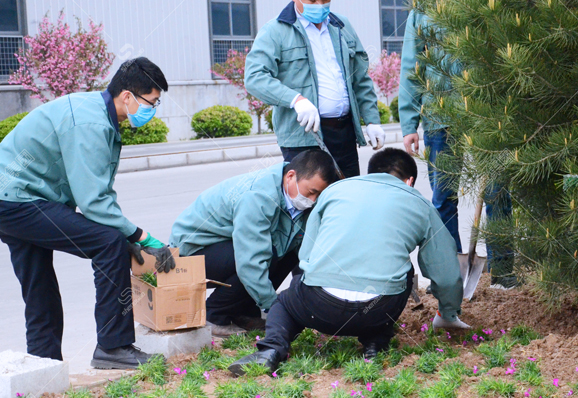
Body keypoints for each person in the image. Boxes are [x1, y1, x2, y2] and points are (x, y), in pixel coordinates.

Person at [228, 148, 470, 375]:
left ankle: (272, 349)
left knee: (284, 304)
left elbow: (306, 256)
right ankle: (374, 345)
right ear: (409, 181)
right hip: (377, 309)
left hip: (318, 307)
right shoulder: (420, 203)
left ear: (370, 174)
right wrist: (447, 314)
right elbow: (447, 275)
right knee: (402, 272)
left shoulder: (335, 191)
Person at [0, 58, 174, 369]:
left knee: (39, 284)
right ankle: (114, 347)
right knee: (109, 244)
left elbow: (92, 193)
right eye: (152, 102)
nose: (153, 110)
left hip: (14, 199)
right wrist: (141, 237)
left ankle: (44, 364)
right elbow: (94, 201)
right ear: (127, 97)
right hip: (18, 199)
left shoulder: (96, 111)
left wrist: (125, 232)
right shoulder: (91, 123)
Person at [398, 0, 517, 287]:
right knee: (443, 198)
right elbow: (411, 66)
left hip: (484, 113)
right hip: (439, 118)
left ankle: (504, 273)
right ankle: (450, 274)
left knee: (497, 192)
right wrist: (410, 123)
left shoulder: (481, 0)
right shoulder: (422, 9)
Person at [169, 151, 339, 338]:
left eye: (319, 195)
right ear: (291, 176)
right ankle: (214, 315)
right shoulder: (258, 196)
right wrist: (277, 308)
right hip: (194, 251)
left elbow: (304, 253)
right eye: (311, 192)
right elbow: (250, 262)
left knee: (285, 250)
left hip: (229, 243)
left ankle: (243, 312)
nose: (312, 201)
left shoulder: (298, 200)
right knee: (262, 256)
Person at [244, 0, 385, 178]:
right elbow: (254, 77)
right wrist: (295, 100)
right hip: (303, 138)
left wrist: (372, 120)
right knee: (309, 206)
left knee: (347, 202)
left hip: (344, 135)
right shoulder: (276, 31)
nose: (320, 5)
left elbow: (360, 78)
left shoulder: (342, 26)